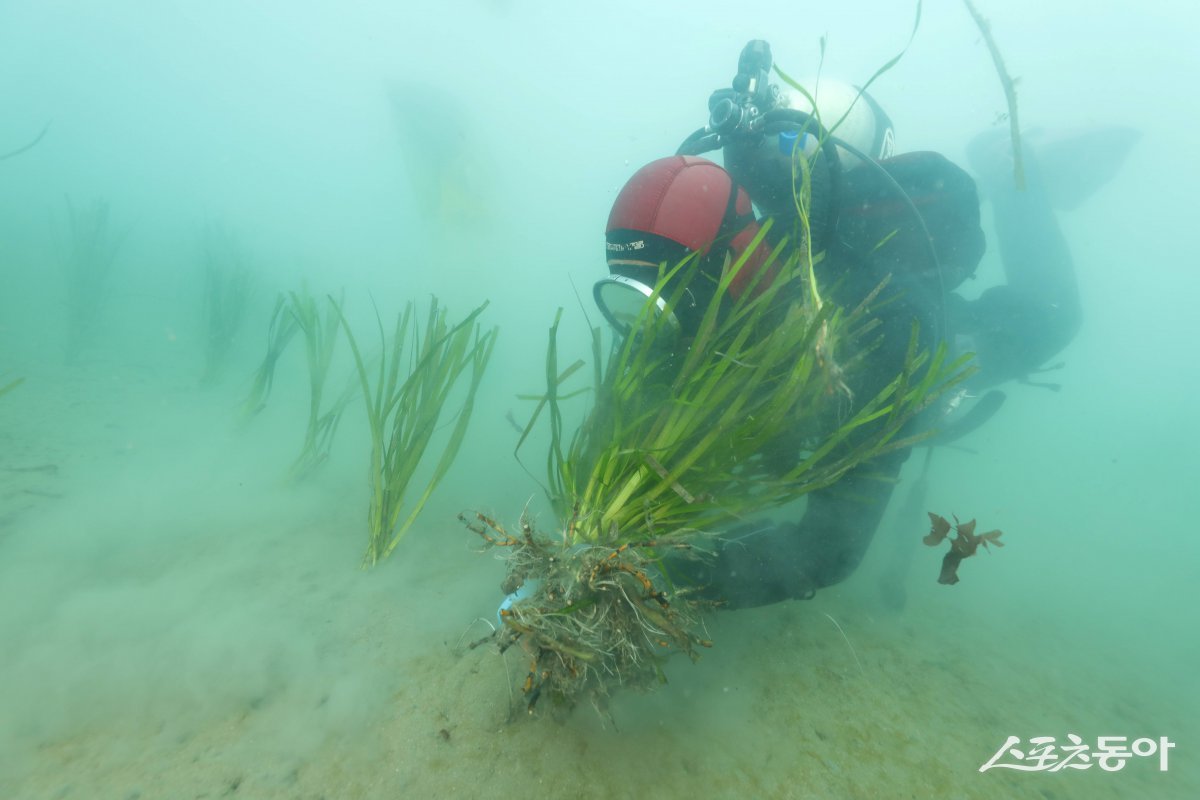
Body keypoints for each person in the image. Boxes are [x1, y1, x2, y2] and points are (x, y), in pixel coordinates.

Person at [592, 40, 1113, 609]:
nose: (651, 325)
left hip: (911, 342)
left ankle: (1015, 166)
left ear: (721, 281)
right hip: (808, 301)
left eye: (670, 302)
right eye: (640, 298)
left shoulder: (884, 338)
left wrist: (664, 586)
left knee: (1049, 317)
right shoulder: (675, 302)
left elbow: (829, 551)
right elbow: (622, 425)